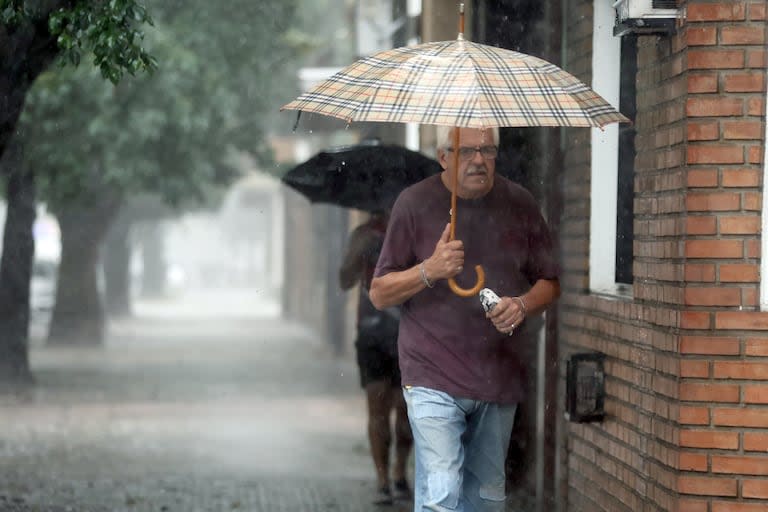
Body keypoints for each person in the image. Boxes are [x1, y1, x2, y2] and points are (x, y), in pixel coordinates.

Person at [369, 126, 560, 512]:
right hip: (431, 373)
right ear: (443, 157)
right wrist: (430, 269)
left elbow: (551, 281)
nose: (479, 159)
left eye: (488, 150)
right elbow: (379, 292)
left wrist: (522, 305)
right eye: (468, 150)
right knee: (442, 492)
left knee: (486, 499)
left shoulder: (519, 203)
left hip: (498, 373)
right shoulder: (414, 203)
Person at [339, 210, 413, 506]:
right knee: (377, 407)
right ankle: (383, 479)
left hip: (406, 332)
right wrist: (357, 253)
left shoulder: (412, 230)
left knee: (405, 410)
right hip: (371, 334)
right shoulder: (362, 235)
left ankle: (399, 472)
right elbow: (344, 281)